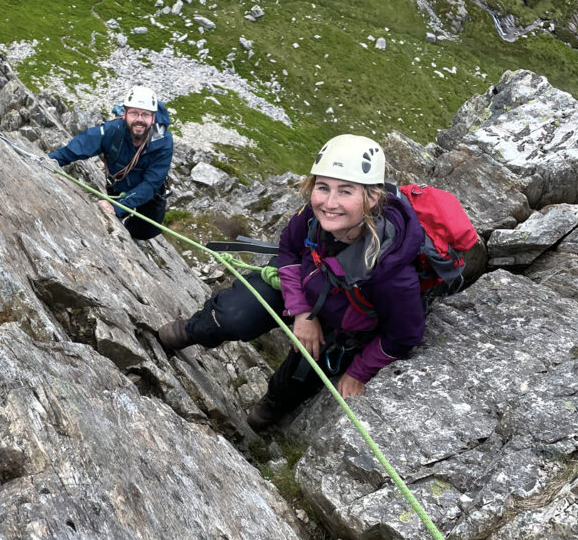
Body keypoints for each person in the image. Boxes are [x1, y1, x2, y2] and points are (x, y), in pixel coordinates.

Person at [157, 133, 425, 430]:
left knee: (300, 374)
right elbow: (289, 247)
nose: (329, 203)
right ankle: (190, 330)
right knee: (234, 314)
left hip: (342, 323)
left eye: (346, 192)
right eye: (323, 188)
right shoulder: (313, 216)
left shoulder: (392, 271)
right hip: (303, 285)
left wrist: (358, 373)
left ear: (372, 197)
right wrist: (301, 312)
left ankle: (273, 403)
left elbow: (404, 334)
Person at [48, 84, 173, 241]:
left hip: (149, 195)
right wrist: (51, 160)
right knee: (118, 217)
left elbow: (151, 184)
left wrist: (118, 207)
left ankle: (129, 231)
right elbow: (80, 146)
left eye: (145, 115)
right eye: (134, 113)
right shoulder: (112, 131)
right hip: (118, 185)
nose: (139, 120)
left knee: (147, 230)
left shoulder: (163, 142)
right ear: (124, 114)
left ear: (153, 118)